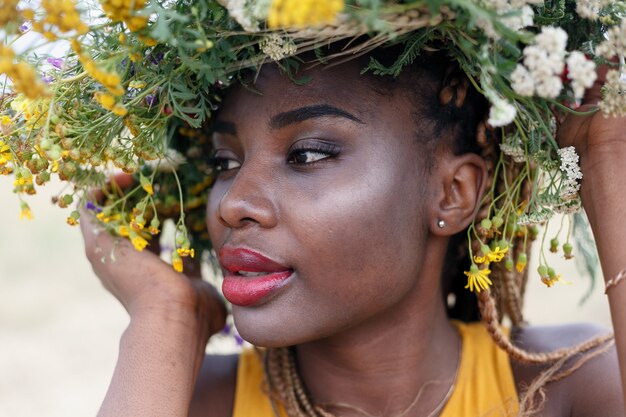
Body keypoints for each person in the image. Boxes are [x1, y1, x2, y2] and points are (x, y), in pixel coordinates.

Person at [78, 37, 626, 417]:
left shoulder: (565, 388)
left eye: (308, 154)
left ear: (453, 193)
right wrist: (166, 316)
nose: (234, 204)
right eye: (226, 162)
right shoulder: (184, 402)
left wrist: (605, 149)